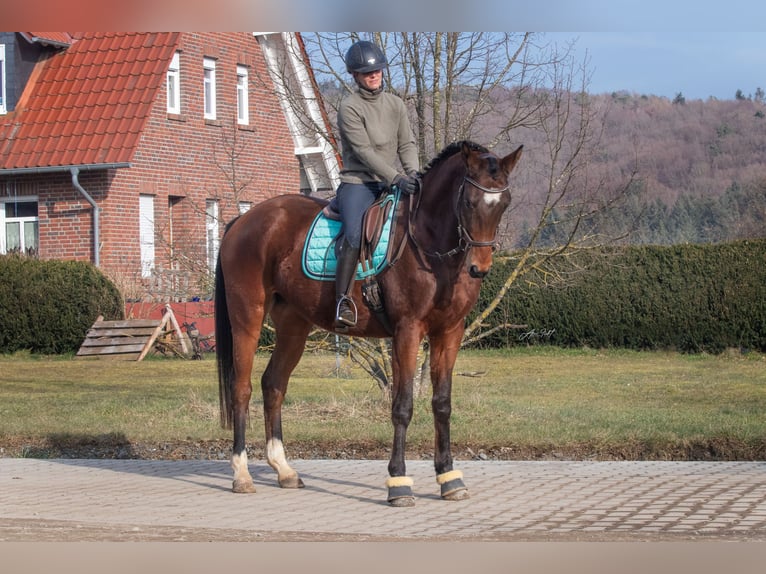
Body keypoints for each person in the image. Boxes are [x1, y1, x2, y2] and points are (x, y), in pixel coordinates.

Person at [333, 39, 420, 331]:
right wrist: (396, 178)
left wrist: (415, 175)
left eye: (378, 70)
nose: (374, 75)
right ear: (355, 76)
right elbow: (365, 153)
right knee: (355, 236)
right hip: (358, 184)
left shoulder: (396, 105)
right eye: (366, 72)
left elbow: (406, 143)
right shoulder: (349, 108)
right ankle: (342, 300)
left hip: (390, 184)